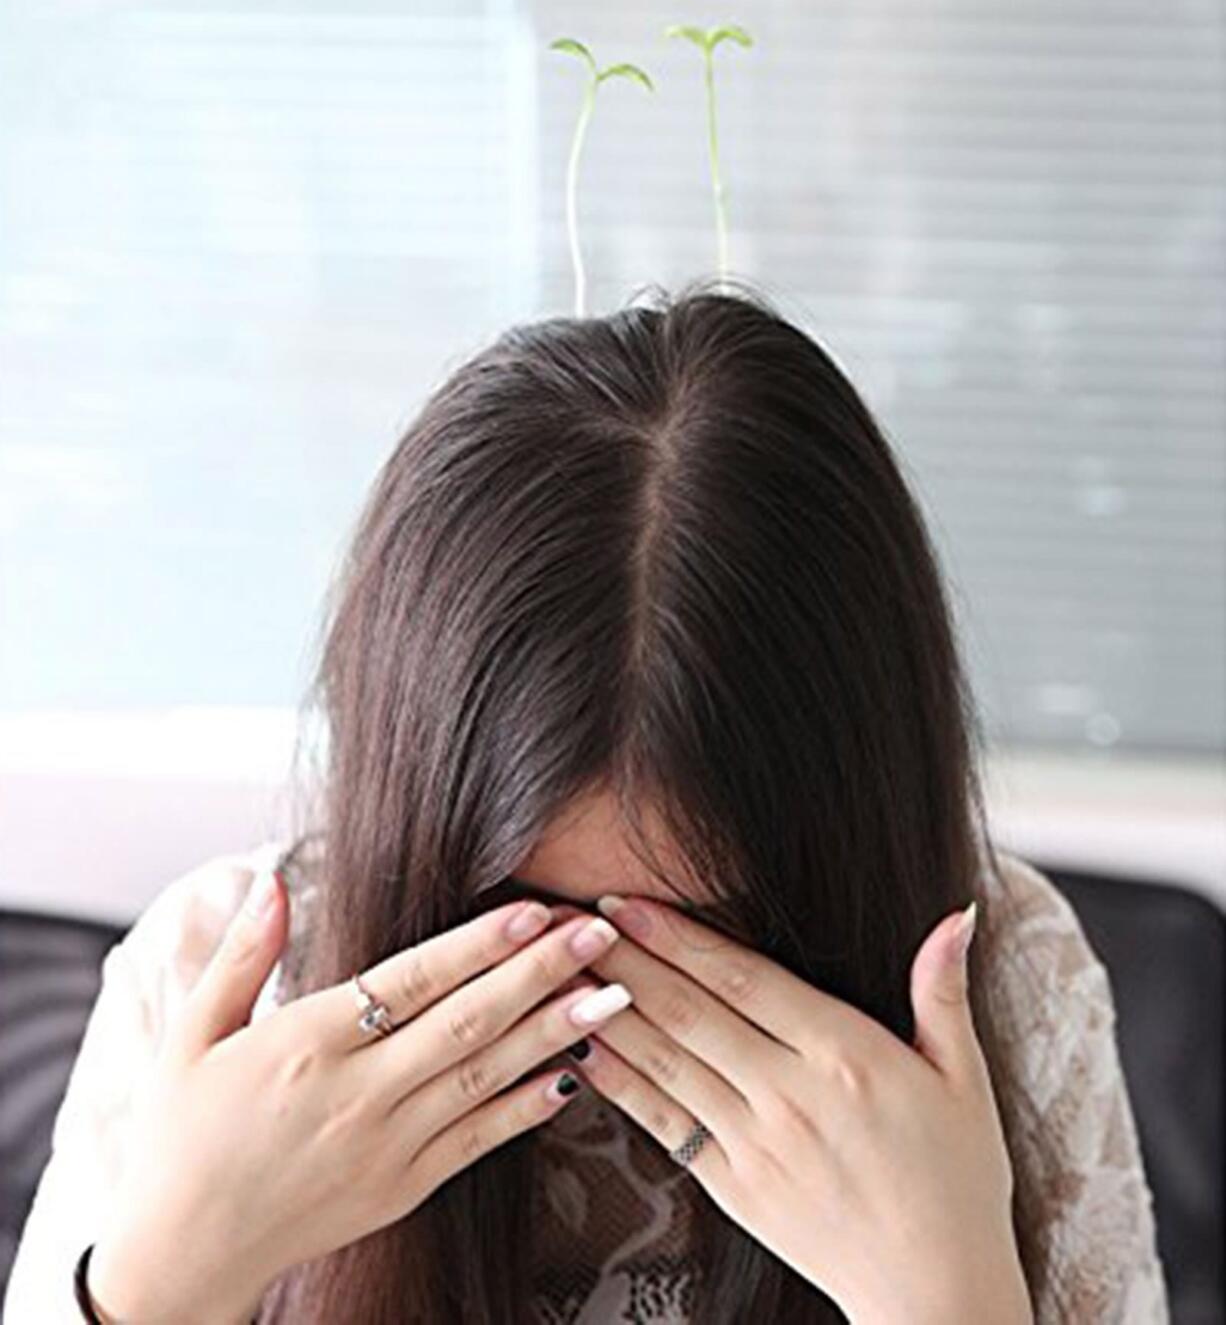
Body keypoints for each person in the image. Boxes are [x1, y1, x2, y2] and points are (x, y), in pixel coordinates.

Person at [4, 281, 1169, 1324]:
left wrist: (944, 1295)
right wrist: (162, 1282)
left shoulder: (1007, 981)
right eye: (525, 913)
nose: (602, 992)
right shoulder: (218, 974)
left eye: (705, 924)